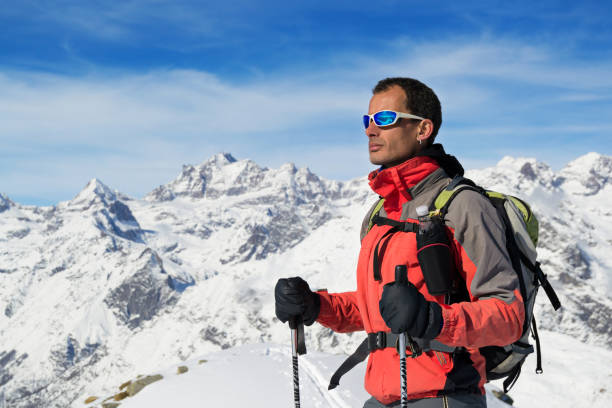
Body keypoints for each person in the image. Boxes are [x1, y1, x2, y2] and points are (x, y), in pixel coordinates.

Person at [275, 77, 524, 407]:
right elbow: (377, 310)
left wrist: (433, 319)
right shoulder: (380, 213)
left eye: (385, 119)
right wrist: (315, 306)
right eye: (367, 120)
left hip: (444, 396)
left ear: (422, 129)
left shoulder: (462, 205)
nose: (370, 130)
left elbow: (508, 315)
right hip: (383, 397)